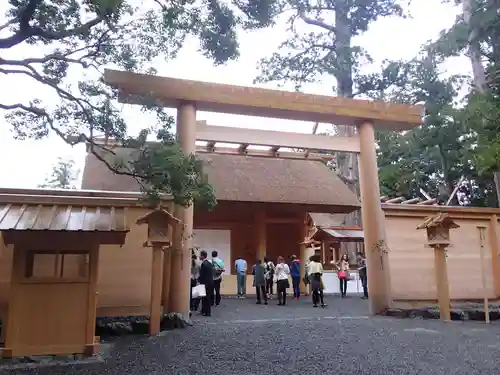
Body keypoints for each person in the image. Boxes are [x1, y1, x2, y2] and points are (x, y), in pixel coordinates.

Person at [198, 250, 214, 316]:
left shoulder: (204, 264)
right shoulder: (209, 263)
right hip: (210, 282)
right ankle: (204, 310)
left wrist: (199, 282)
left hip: (205, 283)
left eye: (200, 255)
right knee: (207, 297)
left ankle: (207, 312)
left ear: (202, 256)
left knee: (205, 298)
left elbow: (202, 275)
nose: (199, 256)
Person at [190, 250, 201, 315]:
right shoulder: (198, 263)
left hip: (190, 279)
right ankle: (195, 306)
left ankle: (191, 306)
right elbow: (200, 272)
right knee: (196, 294)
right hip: (196, 279)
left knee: (190, 293)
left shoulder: (188, 262)